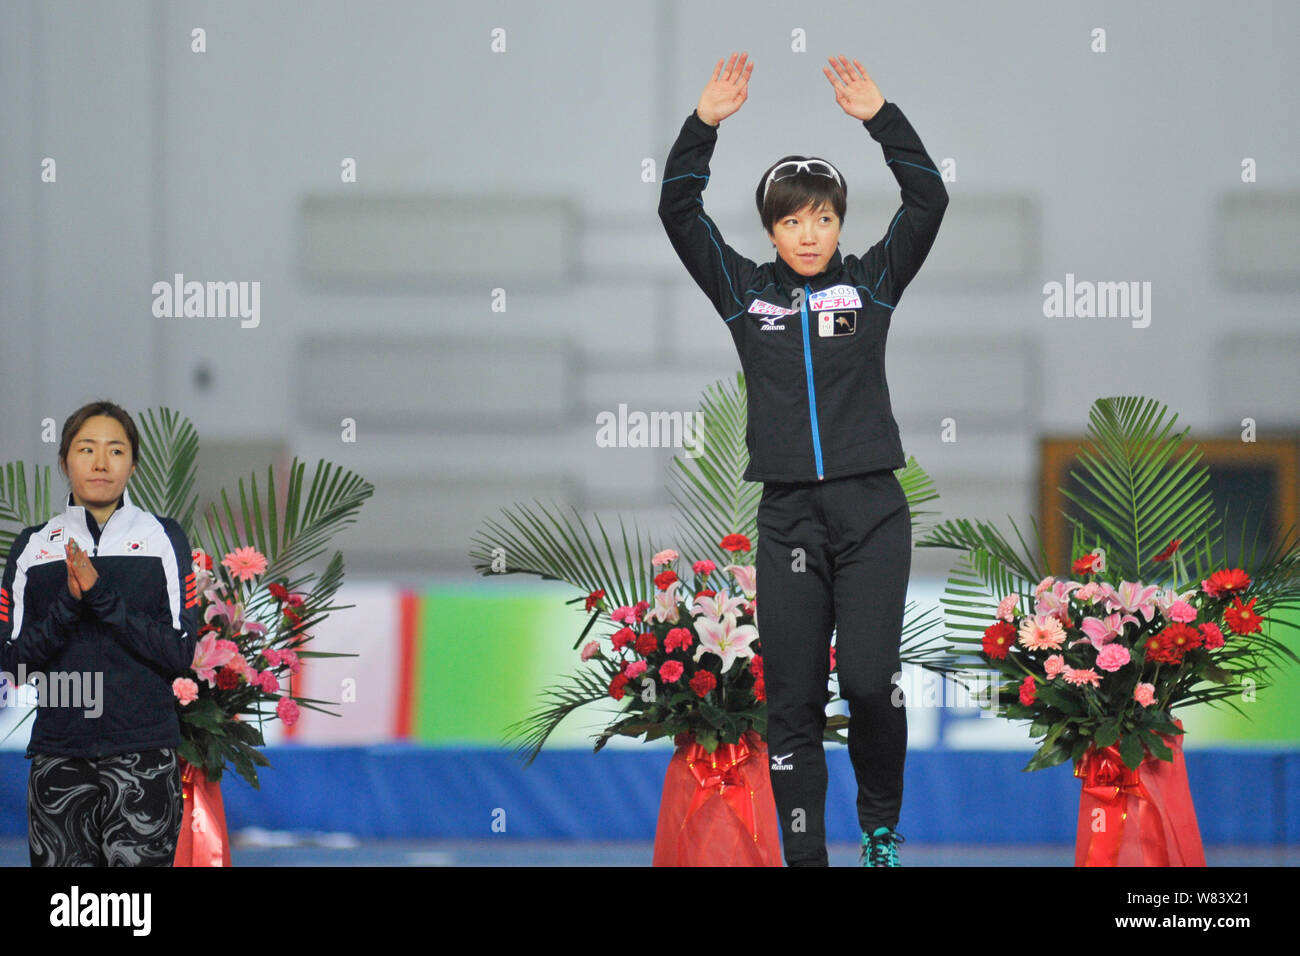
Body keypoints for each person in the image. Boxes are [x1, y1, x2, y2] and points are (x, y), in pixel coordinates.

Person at [659, 53, 948, 866]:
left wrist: (881, 119)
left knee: (867, 682)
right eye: (792, 222)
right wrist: (704, 124)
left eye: (822, 218)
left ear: (840, 223)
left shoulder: (873, 285)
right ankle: (806, 856)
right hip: (788, 518)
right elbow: (677, 209)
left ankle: (880, 829)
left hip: (871, 513)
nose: (809, 234)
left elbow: (929, 200)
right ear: (772, 232)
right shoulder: (743, 294)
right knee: (790, 702)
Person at [0, 401, 199, 866]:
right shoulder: (33, 546)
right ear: (65, 460)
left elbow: (179, 652)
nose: (101, 462)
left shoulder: (163, 538)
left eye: (116, 450)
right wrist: (69, 604)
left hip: (144, 755)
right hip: (59, 757)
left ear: (133, 464)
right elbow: (13, 663)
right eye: (87, 449)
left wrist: (101, 596)